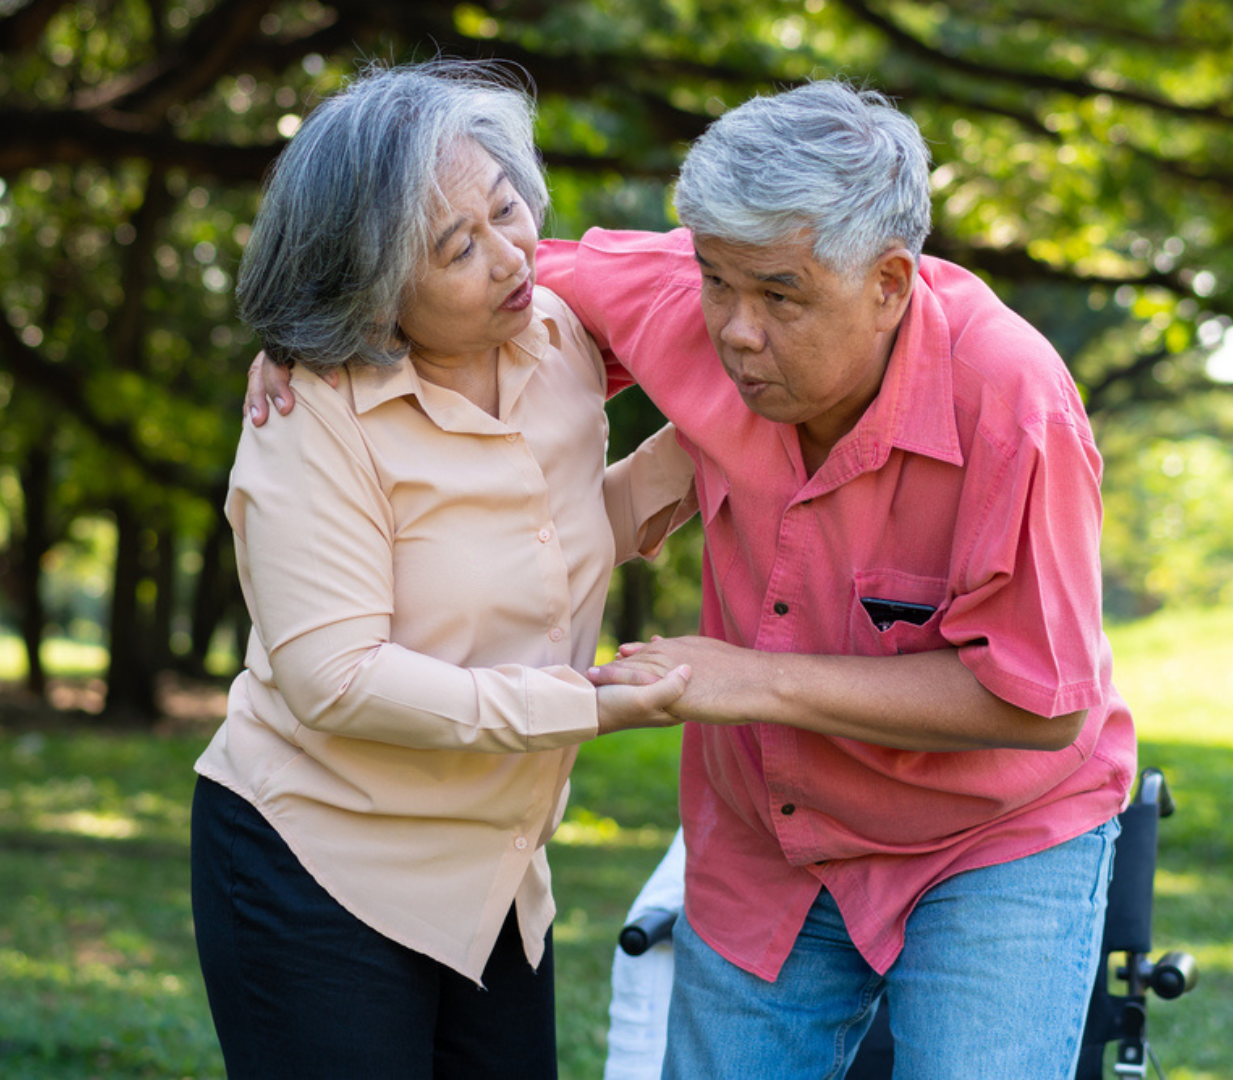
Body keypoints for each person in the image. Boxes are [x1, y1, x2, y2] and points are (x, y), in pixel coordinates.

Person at [250, 79, 1137, 1078]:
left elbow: (1038, 705)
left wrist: (751, 679)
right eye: (716, 280)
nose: (735, 332)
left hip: (988, 842)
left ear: (889, 283)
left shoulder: (1013, 405)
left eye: (779, 296)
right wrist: (304, 343)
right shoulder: (691, 291)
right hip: (771, 835)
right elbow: (468, 266)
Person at [193, 60, 699, 1079]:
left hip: (497, 877)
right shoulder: (315, 412)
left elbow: (734, 266)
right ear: (373, 287)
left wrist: (715, 439)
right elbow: (334, 678)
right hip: (322, 865)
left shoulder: (555, 328)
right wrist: (583, 704)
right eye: (457, 248)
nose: (512, 255)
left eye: (508, 208)